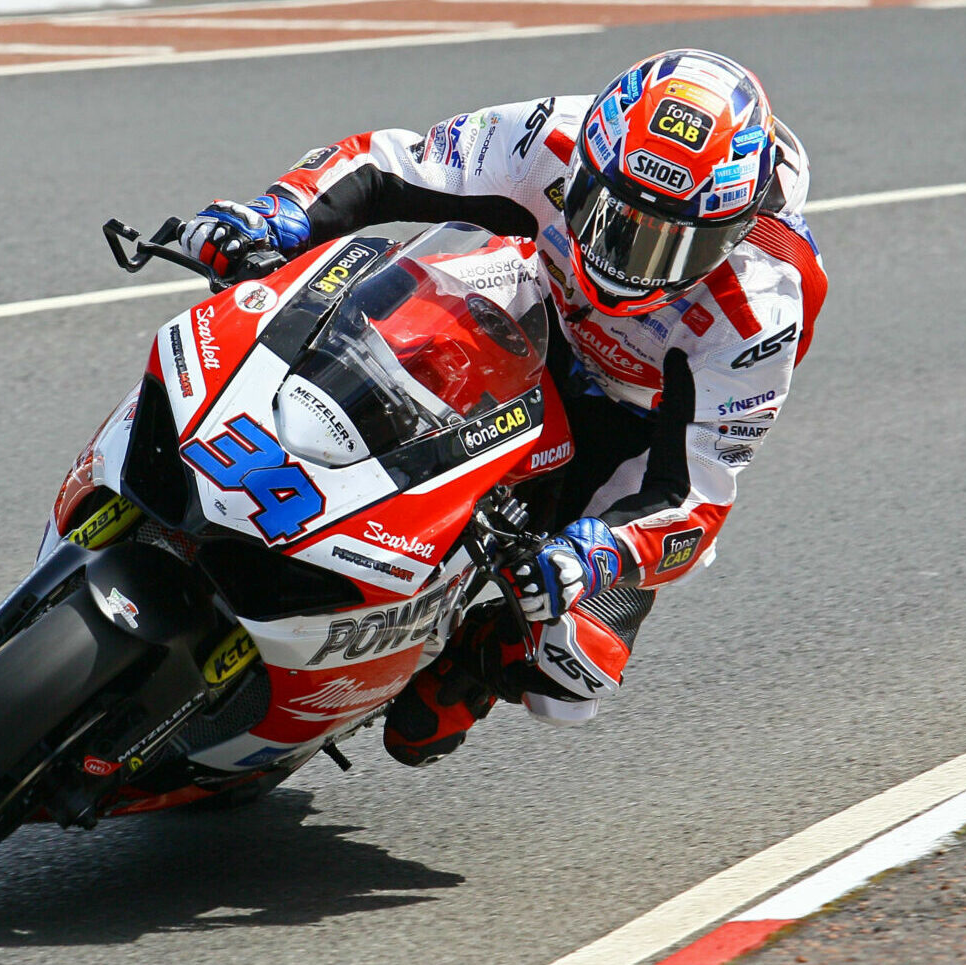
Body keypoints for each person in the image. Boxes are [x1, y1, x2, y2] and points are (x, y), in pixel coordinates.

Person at [178, 48, 829, 765]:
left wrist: (596, 552)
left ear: (731, 234)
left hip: (634, 419)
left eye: (671, 245)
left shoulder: (764, 304)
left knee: (573, 671)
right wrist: (277, 213)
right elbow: (389, 163)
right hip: (522, 303)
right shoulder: (550, 135)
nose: (627, 257)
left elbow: (697, 495)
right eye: (613, 216)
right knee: (352, 327)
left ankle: (476, 650)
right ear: (588, 162)